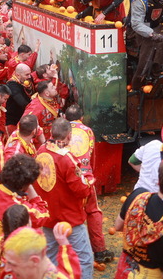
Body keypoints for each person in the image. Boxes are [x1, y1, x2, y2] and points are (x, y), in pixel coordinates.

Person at [0, 153, 50, 279]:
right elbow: (43, 214)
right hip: (2, 265)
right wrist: (29, 187)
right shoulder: (19, 207)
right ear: (24, 184)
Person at [34, 118, 93, 279]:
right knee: (84, 259)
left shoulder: (41, 151)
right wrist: (88, 179)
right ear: (69, 136)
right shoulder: (67, 158)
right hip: (70, 217)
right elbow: (82, 190)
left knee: (50, 259)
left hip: (49, 217)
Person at [65, 105, 113, 264]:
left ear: (65, 118)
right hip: (85, 178)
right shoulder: (88, 131)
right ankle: (99, 250)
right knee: (93, 212)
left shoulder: (60, 130)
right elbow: (92, 156)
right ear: (82, 118)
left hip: (66, 178)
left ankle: (67, 252)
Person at [2, 227, 76, 279]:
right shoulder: (10, 274)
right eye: (7, 262)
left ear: (34, 261)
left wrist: (65, 246)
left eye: (13, 264)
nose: (6, 269)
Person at [5, 64, 33, 131]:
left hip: (23, 118)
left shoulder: (25, 79)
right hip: (14, 122)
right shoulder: (12, 85)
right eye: (27, 75)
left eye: (30, 74)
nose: (29, 77)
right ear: (18, 75)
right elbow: (22, 102)